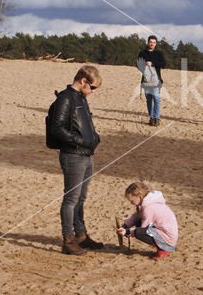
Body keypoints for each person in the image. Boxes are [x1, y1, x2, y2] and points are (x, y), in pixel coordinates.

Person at [50, 65, 104, 255]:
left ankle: (81, 235)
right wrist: (80, 141)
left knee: (81, 198)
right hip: (73, 156)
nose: (93, 91)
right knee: (71, 199)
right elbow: (57, 128)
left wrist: (94, 138)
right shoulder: (65, 98)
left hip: (86, 155)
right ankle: (68, 240)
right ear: (83, 81)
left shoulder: (81, 98)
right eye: (93, 87)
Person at [117, 182, 178, 260]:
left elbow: (144, 229)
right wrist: (125, 226)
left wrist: (127, 231)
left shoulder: (148, 208)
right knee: (138, 224)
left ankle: (164, 249)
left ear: (140, 197)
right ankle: (163, 247)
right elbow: (137, 216)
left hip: (168, 238)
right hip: (167, 233)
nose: (131, 203)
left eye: (132, 201)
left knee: (138, 233)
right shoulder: (148, 202)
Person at [138, 35, 166, 126]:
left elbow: (163, 63)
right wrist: (144, 65)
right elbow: (137, 64)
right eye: (150, 42)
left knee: (157, 98)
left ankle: (156, 118)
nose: (152, 44)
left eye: (154, 42)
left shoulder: (159, 53)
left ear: (156, 43)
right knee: (149, 100)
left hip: (156, 80)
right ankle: (151, 117)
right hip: (146, 81)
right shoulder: (142, 53)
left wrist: (152, 63)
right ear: (148, 42)